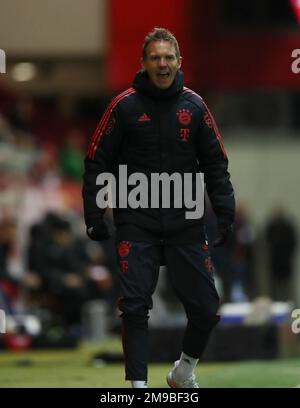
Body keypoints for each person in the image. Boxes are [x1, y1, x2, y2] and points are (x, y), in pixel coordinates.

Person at [82, 27, 235, 388]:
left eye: (168, 57)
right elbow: (96, 161)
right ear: (144, 63)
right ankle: (139, 389)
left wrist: (226, 212)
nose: (162, 64)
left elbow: (216, 164)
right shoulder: (123, 107)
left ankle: (183, 372)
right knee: (135, 308)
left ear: (179, 62)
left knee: (207, 310)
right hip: (136, 220)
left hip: (185, 221)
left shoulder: (195, 106)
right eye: (155, 57)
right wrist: (94, 214)